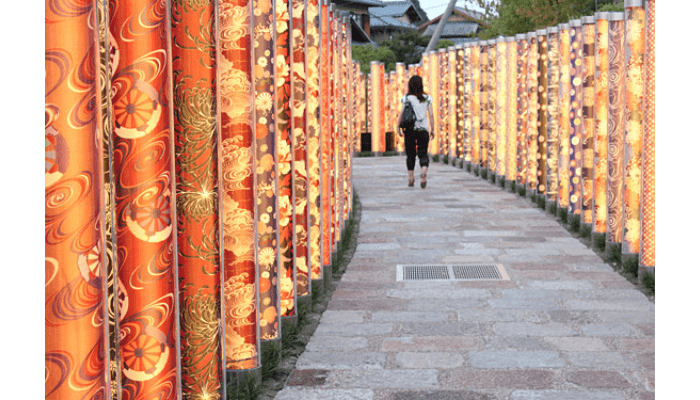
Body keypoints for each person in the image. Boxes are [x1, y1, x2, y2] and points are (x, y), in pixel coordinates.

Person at [397, 75, 435, 188]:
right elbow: (431, 115)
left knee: (411, 154)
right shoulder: (427, 98)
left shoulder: (407, 98)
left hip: (409, 130)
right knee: (423, 152)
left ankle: (411, 178)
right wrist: (432, 129)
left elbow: (402, 114)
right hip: (423, 130)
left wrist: (397, 127)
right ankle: (423, 172)